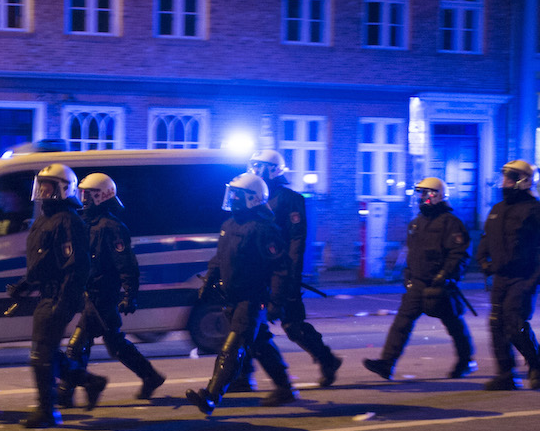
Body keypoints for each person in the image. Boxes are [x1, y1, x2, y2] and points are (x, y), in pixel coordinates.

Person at [183, 172, 297, 416]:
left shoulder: (263, 229)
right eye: (231, 194)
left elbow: (280, 268)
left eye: (237, 195)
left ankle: (212, 395)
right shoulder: (230, 225)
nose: (232, 199)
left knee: (232, 347)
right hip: (231, 298)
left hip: (252, 299)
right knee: (261, 343)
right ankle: (285, 388)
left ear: (252, 199)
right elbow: (219, 258)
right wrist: (208, 282)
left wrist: (276, 301)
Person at [59, 172, 165, 408]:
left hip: (103, 294)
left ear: (101, 196)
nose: (83, 199)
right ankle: (151, 376)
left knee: (78, 344)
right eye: (82, 194)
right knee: (115, 342)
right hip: (90, 292)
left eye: (88, 195)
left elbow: (126, 263)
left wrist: (129, 294)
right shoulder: (85, 223)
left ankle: (67, 390)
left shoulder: (112, 227)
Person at [362, 177, 477, 381]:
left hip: (439, 284)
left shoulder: (451, 223)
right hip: (418, 282)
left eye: (426, 194)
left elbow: (459, 254)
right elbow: (412, 252)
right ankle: (387, 363)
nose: (422, 198)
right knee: (402, 323)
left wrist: (445, 276)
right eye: (420, 194)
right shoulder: (417, 223)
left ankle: (466, 360)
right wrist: (408, 274)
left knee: (453, 324)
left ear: (438, 195)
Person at [246, 149, 342, 388]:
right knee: (246, 323)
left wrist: (290, 276)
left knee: (293, 325)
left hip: (281, 271)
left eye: (260, 166)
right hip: (257, 271)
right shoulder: (254, 194)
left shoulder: (290, 199)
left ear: (274, 170)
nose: (255, 171)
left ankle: (327, 359)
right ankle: (241, 375)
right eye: (253, 165)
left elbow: (296, 243)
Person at [5, 163, 90, 428]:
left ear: (64, 189)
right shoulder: (45, 218)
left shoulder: (67, 220)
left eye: (49, 186)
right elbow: (43, 263)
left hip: (58, 297)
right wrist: (24, 285)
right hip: (46, 295)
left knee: (40, 356)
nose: (42, 191)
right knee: (49, 353)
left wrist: (63, 303)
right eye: (40, 185)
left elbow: (75, 267)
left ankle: (47, 410)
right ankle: (91, 382)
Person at [473, 159, 540, 391]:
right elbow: (486, 240)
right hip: (500, 277)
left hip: (524, 277)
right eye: (503, 177)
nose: (504, 182)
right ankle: (506, 374)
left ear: (523, 181)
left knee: (514, 323)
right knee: (496, 324)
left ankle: (536, 362)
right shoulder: (498, 210)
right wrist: (484, 262)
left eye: (509, 178)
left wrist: (534, 280)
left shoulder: (538, 211)